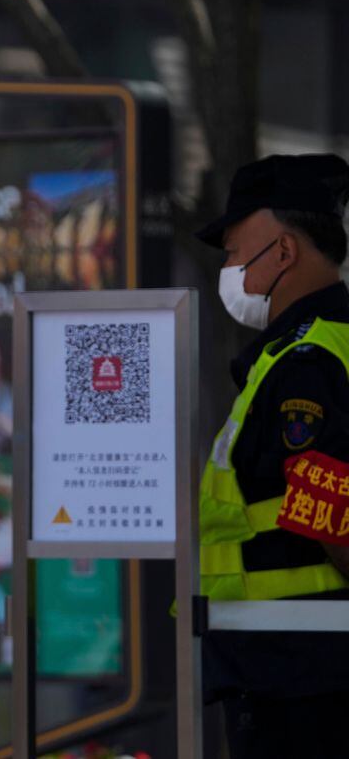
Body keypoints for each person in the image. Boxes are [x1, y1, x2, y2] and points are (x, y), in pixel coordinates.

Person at [195, 153, 349, 759]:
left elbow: (327, 518)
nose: (231, 271)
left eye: (235, 255)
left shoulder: (306, 363)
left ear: (283, 253)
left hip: (303, 677)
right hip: (298, 668)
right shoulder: (313, 348)